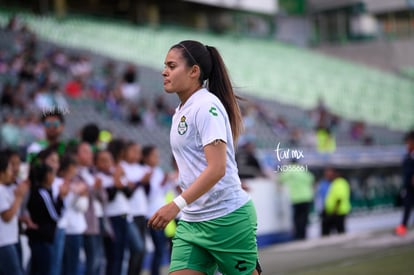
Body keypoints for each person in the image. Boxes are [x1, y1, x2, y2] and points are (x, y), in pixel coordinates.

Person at [148, 40, 262, 274]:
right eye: (164, 65)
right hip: (192, 222)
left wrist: (175, 205)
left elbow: (217, 168)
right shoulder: (182, 110)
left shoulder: (206, 106)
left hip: (227, 219)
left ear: (194, 71)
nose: (164, 71)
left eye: (171, 65)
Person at [142, 145, 171, 275]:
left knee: (161, 248)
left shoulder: (158, 171)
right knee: (159, 248)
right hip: (151, 214)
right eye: (154, 156)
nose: (157, 158)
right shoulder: (145, 172)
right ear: (146, 158)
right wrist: (161, 184)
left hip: (160, 213)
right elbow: (149, 196)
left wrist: (165, 183)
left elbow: (162, 193)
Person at [0, 150, 29, 275]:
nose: (12, 172)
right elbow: (6, 216)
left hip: (8, 240)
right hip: (4, 242)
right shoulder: (0, 190)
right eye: (9, 168)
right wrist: (18, 198)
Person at [278, 160, 315, 240]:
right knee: (304, 218)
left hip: (295, 198)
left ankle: (298, 235)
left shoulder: (288, 170)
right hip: (306, 197)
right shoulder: (302, 170)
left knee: (297, 218)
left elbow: (280, 179)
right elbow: (311, 179)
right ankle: (303, 235)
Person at [321, 167, 351, 236]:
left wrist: (334, 211)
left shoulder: (339, 183)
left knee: (339, 231)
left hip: (337, 212)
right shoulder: (335, 183)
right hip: (335, 211)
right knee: (339, 231)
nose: (328, 176)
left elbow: (339, 198)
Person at [395, 130, 414, 236]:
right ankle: (403, 226)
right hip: (408, 186)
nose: (407, 144)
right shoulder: (408, 154)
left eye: (409, 141)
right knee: (407, 206)